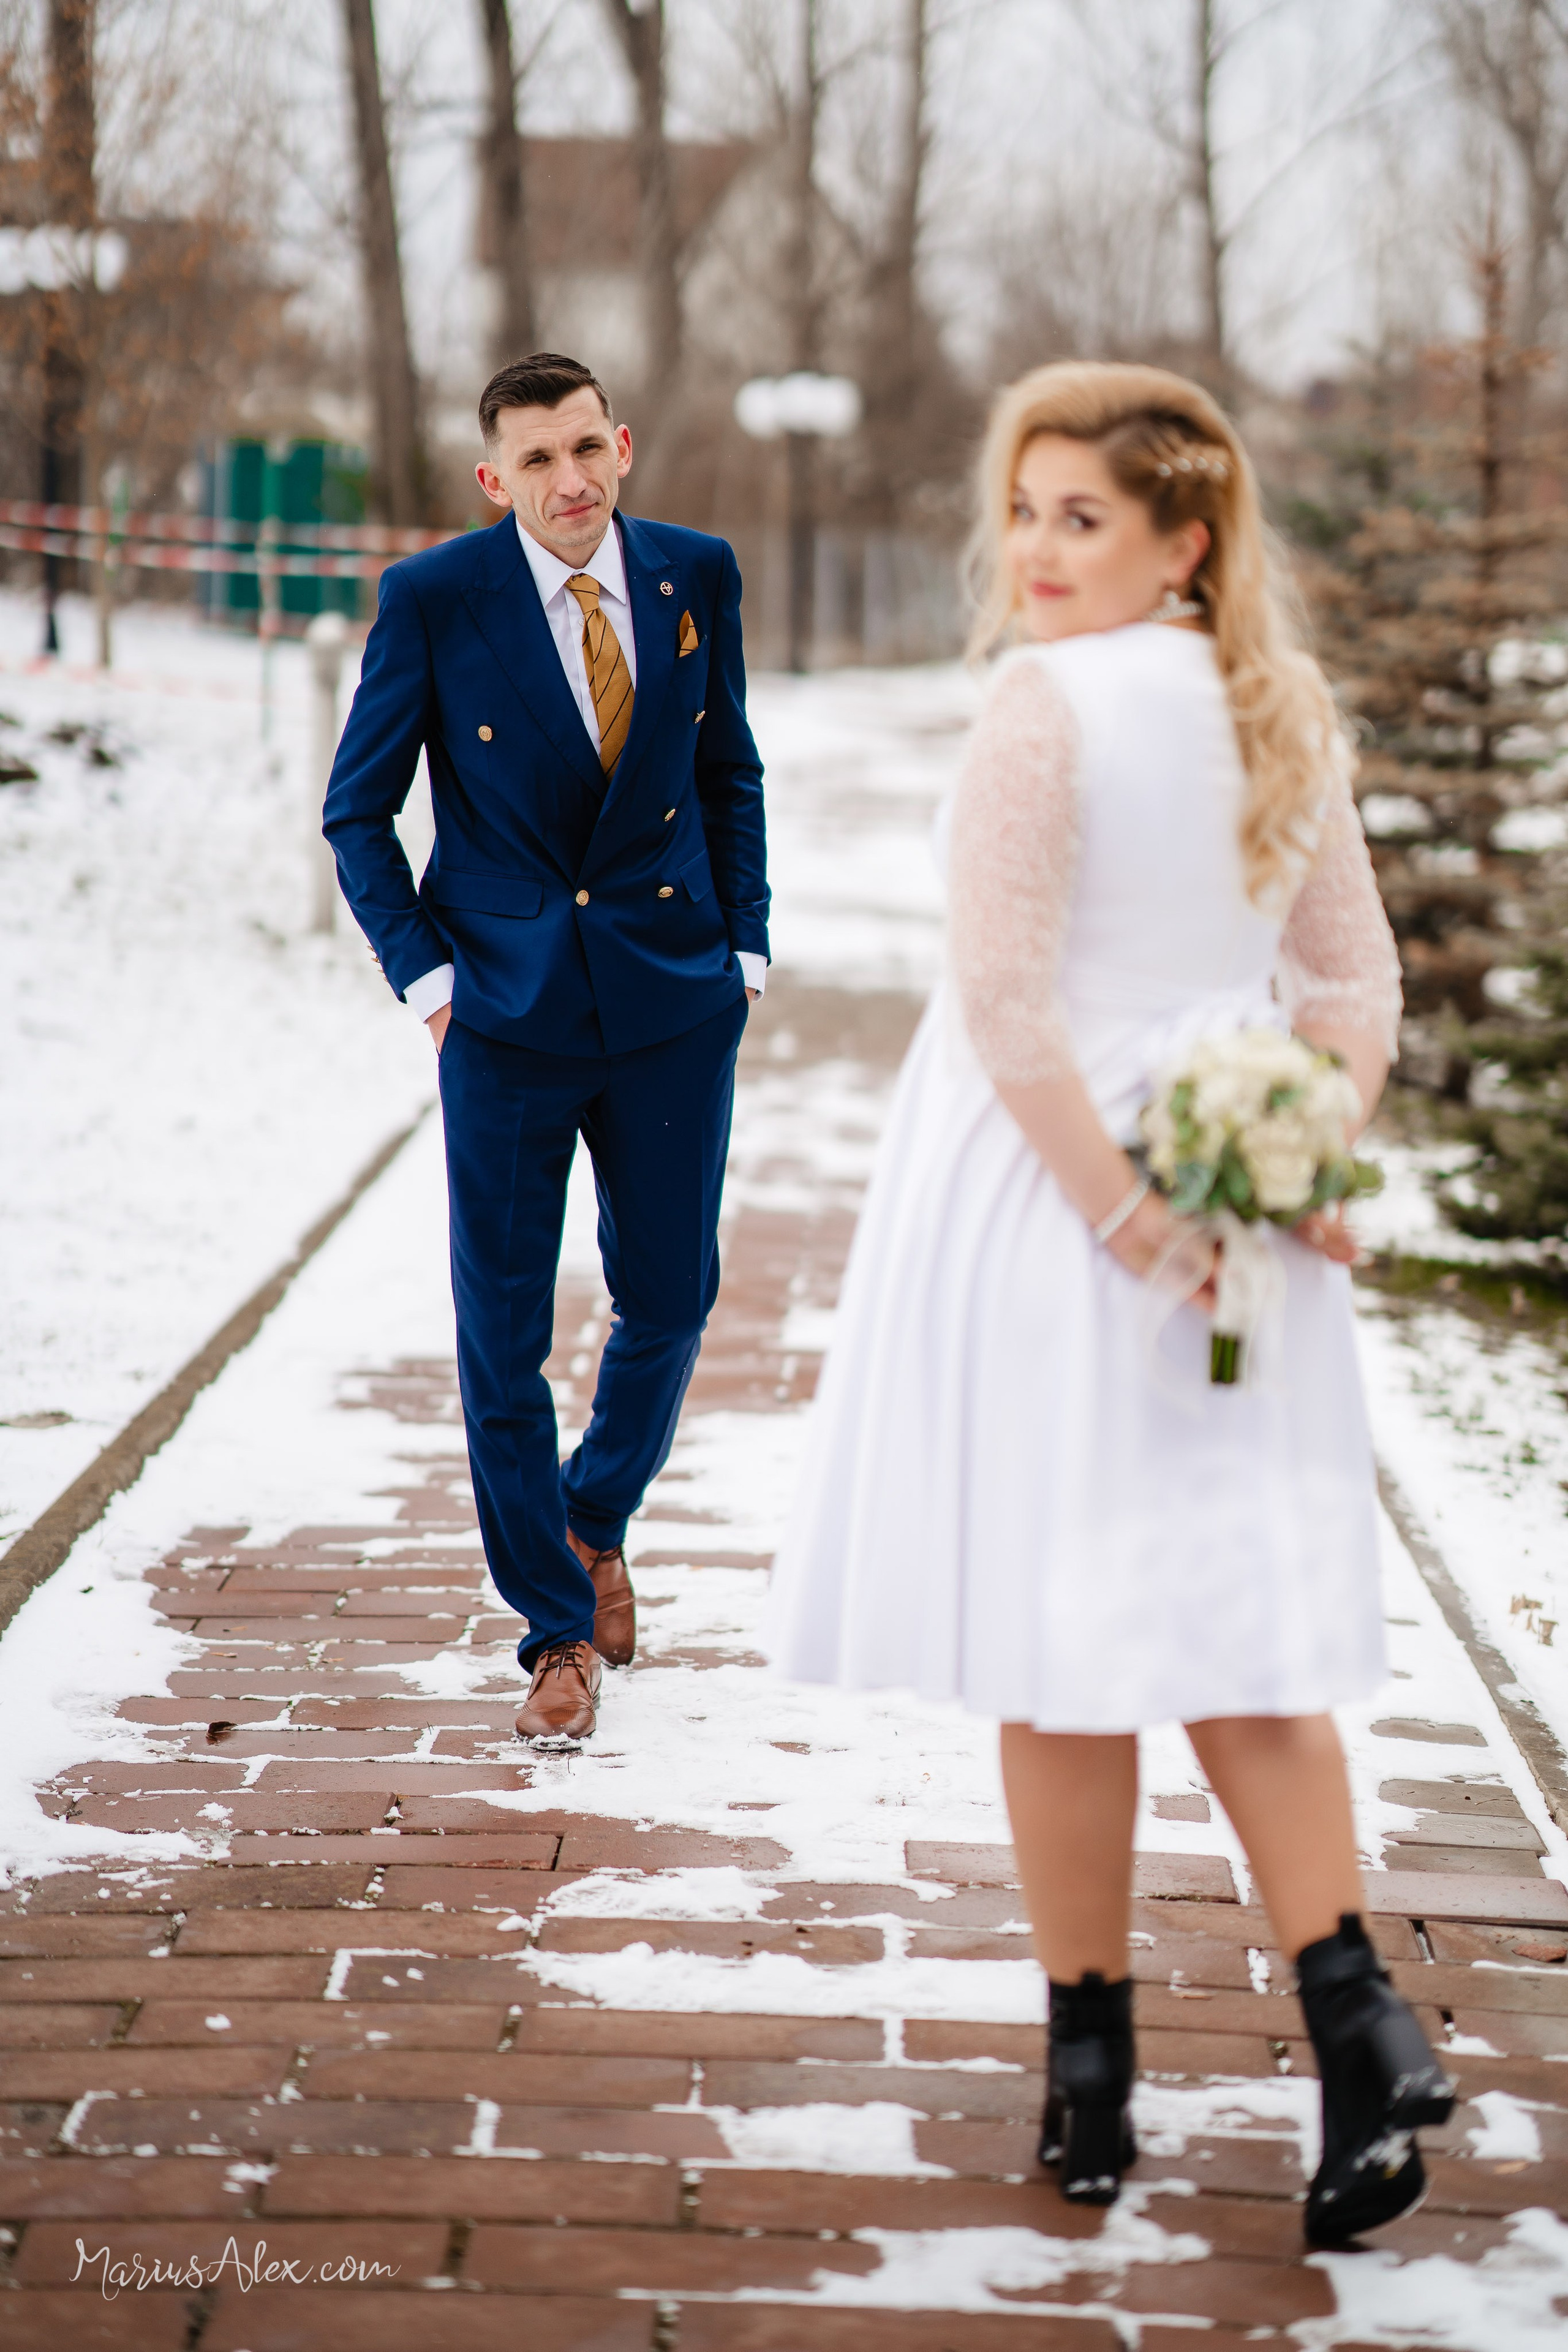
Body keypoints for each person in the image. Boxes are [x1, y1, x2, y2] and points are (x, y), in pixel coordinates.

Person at [766, 361, 1455, 2243]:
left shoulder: (1043, 708)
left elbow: (1013, 1010)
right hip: (1220, 1218)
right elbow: (1350, 1005)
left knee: (1074, 1650)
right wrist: (1279, 1156)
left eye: (1084, 516)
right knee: (1233, 1630)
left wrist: (1150, 1211)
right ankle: (1354, 2019)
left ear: (1185, 539)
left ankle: (1099, 2077)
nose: (1039, 550)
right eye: (1027, 511)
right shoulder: (1272, 703)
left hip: (1063, 1215)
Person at [325, 352, 769, 1746]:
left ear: (622, 446)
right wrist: (431, 981)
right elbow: (358, 813)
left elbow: (726, 769)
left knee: (671, 1291)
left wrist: (742, 946)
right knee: (501, 1334)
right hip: (506, 1017)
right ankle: (555, 1634)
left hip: (672, 1001)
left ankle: (590, 1516)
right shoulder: (436, 598)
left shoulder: (697, 574)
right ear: (491, 478)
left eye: (585, 448)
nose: (567, 481)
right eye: (535, 461)